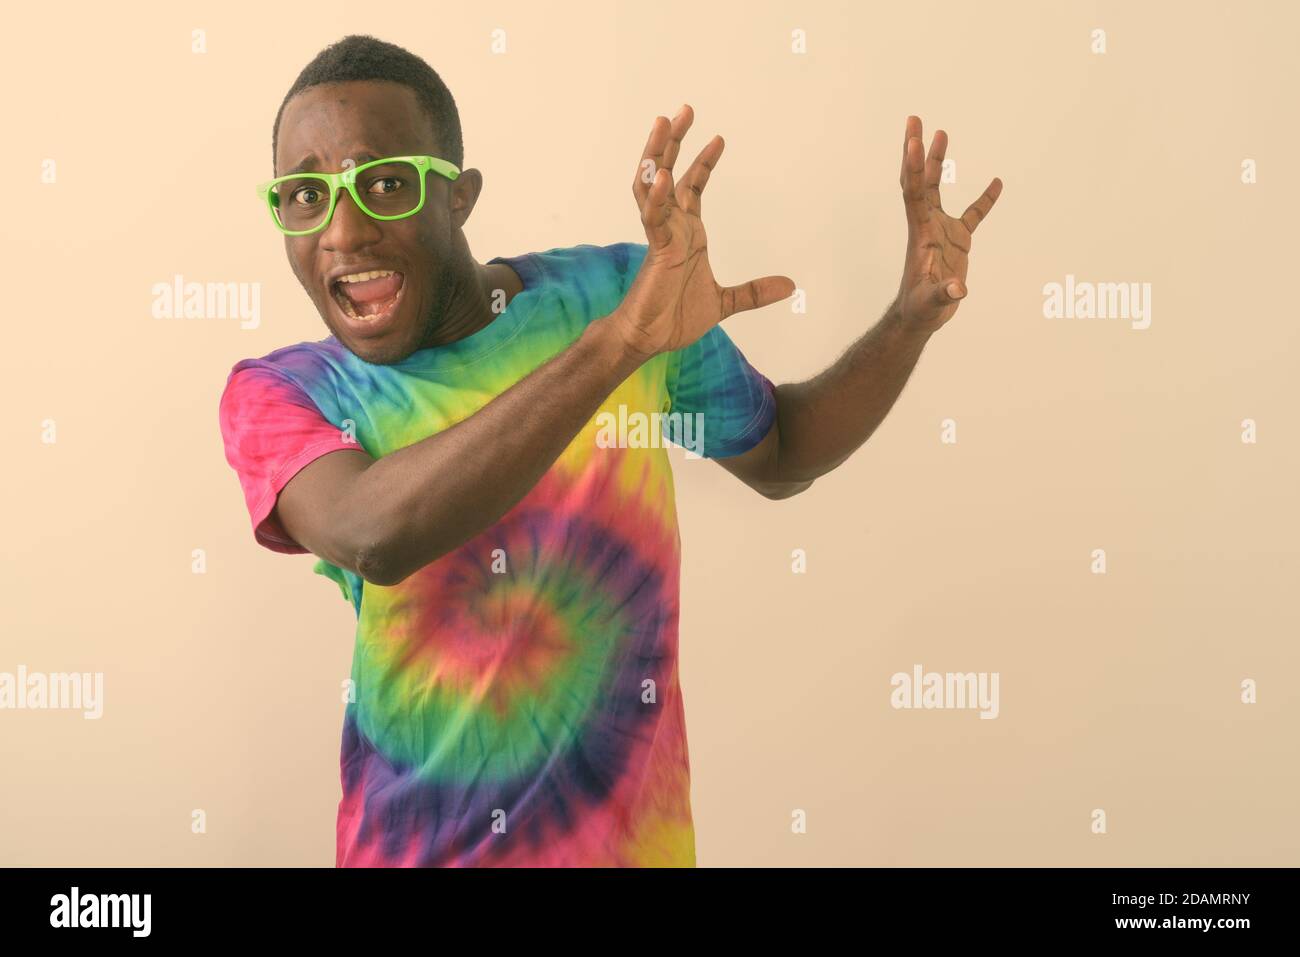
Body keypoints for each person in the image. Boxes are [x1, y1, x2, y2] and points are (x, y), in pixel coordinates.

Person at [218, 34, 1001, 867]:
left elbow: (784, 454)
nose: (344, 230)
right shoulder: (284, 392)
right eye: (304, 195)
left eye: (384, 184)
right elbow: (372, 532)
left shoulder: (617, 291)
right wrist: (619, 345)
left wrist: (911, 317)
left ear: (459, 198)